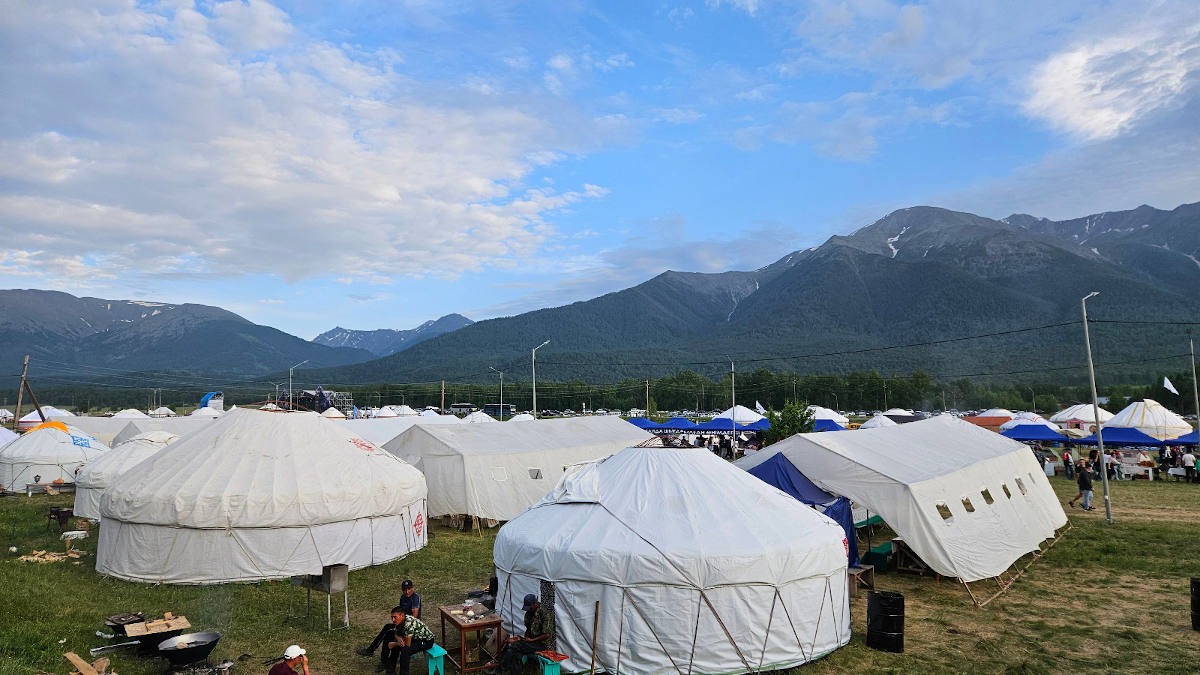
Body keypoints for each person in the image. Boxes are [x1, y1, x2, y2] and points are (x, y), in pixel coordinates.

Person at [359, 580, 422, 663]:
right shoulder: (403, 597)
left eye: (409, 589)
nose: (407, 592)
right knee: (388, 629)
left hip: (411, 626)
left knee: (388, 630)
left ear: (412, 588)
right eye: (404, 590)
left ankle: (372, 651)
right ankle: (376, 653)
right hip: (403, 623)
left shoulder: (415, 598)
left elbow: (414, 616)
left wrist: (401, 627)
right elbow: (400, 612)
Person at [492, 593, 555, 674]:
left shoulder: (545, 614)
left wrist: (531, 640)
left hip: (541, 644)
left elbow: (547, 635)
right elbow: (528, 630)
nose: (528, 609)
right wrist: (521, 639)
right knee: (516, 652)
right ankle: (514, 672)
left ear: (535, 603)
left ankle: (501, 668)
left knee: (515, 646)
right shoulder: (530, 612)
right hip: (531, 642)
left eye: (530, 607)